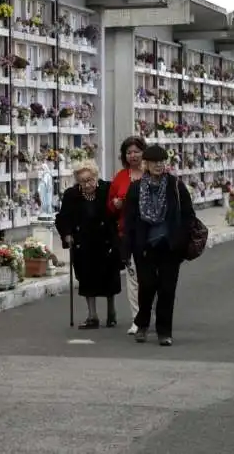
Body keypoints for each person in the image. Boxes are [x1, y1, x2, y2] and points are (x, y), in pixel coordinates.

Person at [122, 145, 195, 346]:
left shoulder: (175, 186)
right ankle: (142, 323)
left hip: (170, 247)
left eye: (162, 161)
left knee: (166, 289)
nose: (159, 165)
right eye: (154, 162)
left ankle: (164, 332)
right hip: (144, 247)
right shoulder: (136, 188)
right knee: (147, 286)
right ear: (146, 164)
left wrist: (181, 240)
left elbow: (188, 215)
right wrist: (126, 249)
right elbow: (129, 220)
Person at [56, 159, 122, 329]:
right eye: (82, 181)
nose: (86, 185)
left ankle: (111, 311)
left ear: (96, 177)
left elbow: (117, 213)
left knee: (109, 277)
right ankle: (92, 315)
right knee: (86, 278)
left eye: (90, 180)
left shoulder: (107, 189)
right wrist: (67, 234)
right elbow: (63, 218)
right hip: (83, 241)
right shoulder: (72, 195)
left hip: (105, 240)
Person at [107, 136, 146, 335]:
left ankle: (151, 314)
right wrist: (115, 205)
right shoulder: (121, 177)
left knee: (150, 277)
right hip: (128, 234)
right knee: (133, 278)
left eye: (136, 151)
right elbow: (110, 204)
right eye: (128, 152)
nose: (132, 155)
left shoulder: (153, 173)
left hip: (150, 233)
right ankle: (137, 318)